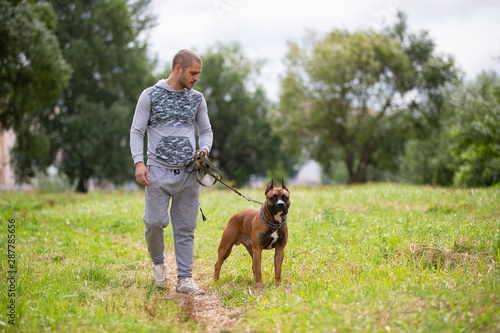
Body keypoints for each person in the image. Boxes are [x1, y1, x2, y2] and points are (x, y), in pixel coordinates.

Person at [130, 49, 213, 295]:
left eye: (198, 73)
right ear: (178, 68)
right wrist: (138, 162)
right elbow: (137, 131)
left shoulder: (197, 99)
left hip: (189, 174)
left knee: (186, 228)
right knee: (154, 222)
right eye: (193, 73)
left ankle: (185, 279)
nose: (196, 78)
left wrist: (205, 149)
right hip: (157, 172)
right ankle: (158, 265)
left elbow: (206, 130)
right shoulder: (150, 95)